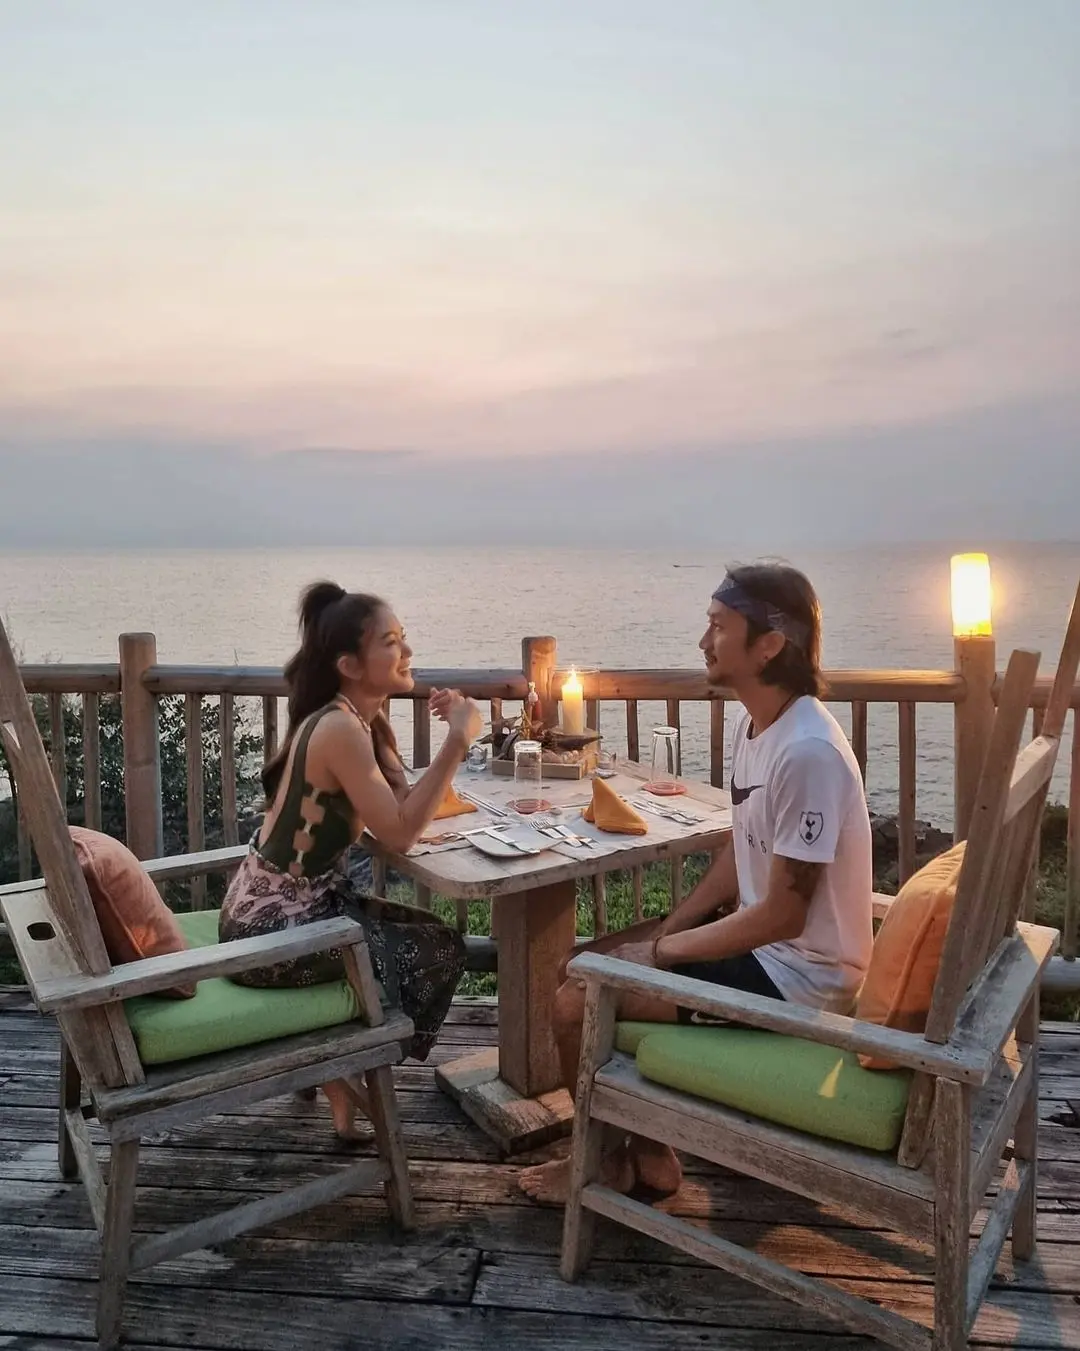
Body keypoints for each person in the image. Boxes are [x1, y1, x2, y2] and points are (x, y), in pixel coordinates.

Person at [519, 563, 874, 1204]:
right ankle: (649, 1155)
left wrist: (657, 953)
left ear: (769, 644)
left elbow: (784, 915)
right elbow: (741, 851)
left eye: (719, 627)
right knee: (580, 963)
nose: (703, 641)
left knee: (577, 1001)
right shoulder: (756, 726)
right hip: (764, 953)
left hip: (801, 980)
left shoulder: (809, 752)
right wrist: (671, 928)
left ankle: (599, 1163)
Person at [219, 581, 480, 1138]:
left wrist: (448, 729)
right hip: (269, 932)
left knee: (428, 940)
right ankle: (345, 1066)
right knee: (435, 949)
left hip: (289, 911)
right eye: (391, 642)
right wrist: (458, 743)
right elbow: (401, 834)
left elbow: (401, 804)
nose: (407, 651)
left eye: (403, 638)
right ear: (350, 665)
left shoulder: (360, 720)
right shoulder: (339, 728)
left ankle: (342, 1069)